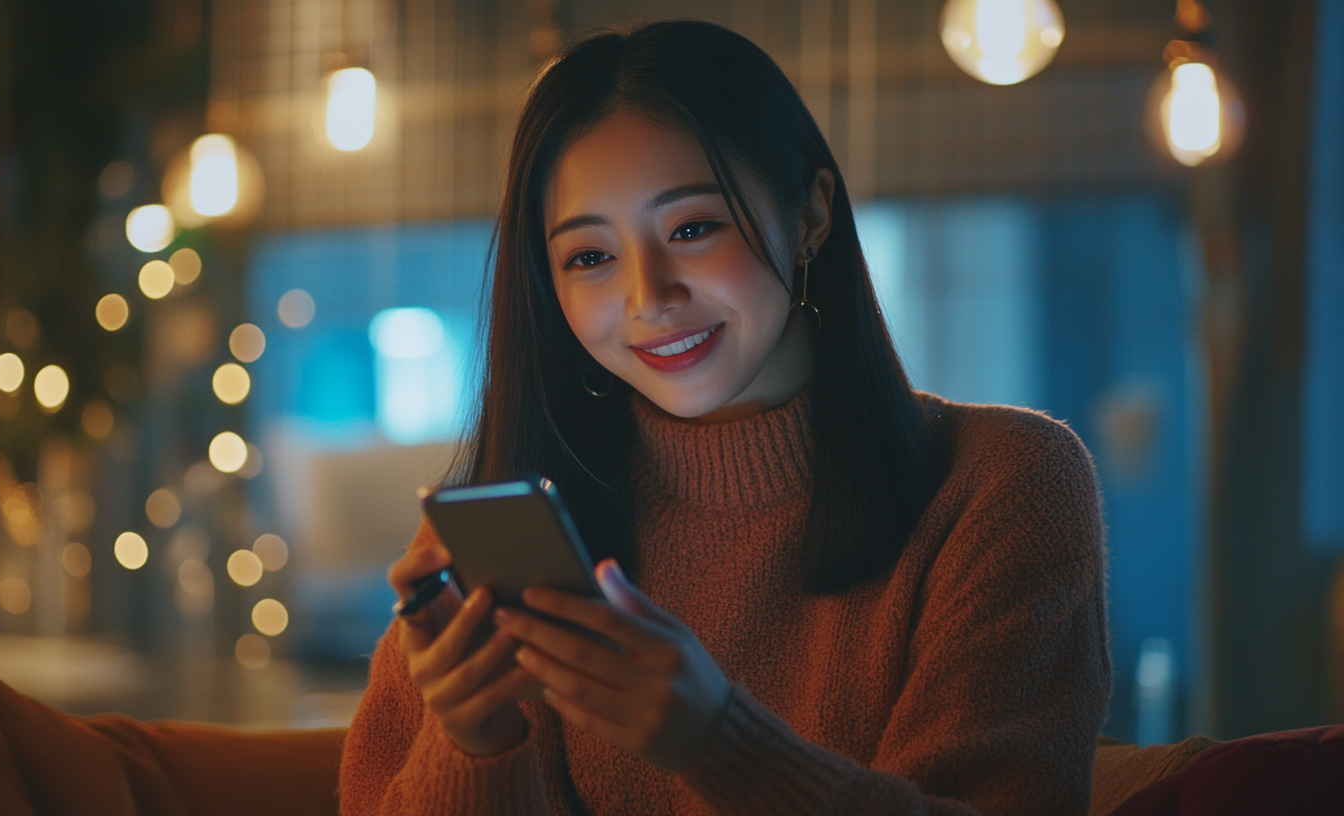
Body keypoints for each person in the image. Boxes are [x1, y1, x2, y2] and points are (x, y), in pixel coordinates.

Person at [340, 19, 1109, 816]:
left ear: (812, 216)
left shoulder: (1002, 484)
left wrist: (717, 741)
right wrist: (473, 744)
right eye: (590, 257)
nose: (649, 298)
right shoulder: (506, 530)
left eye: (692, 228)